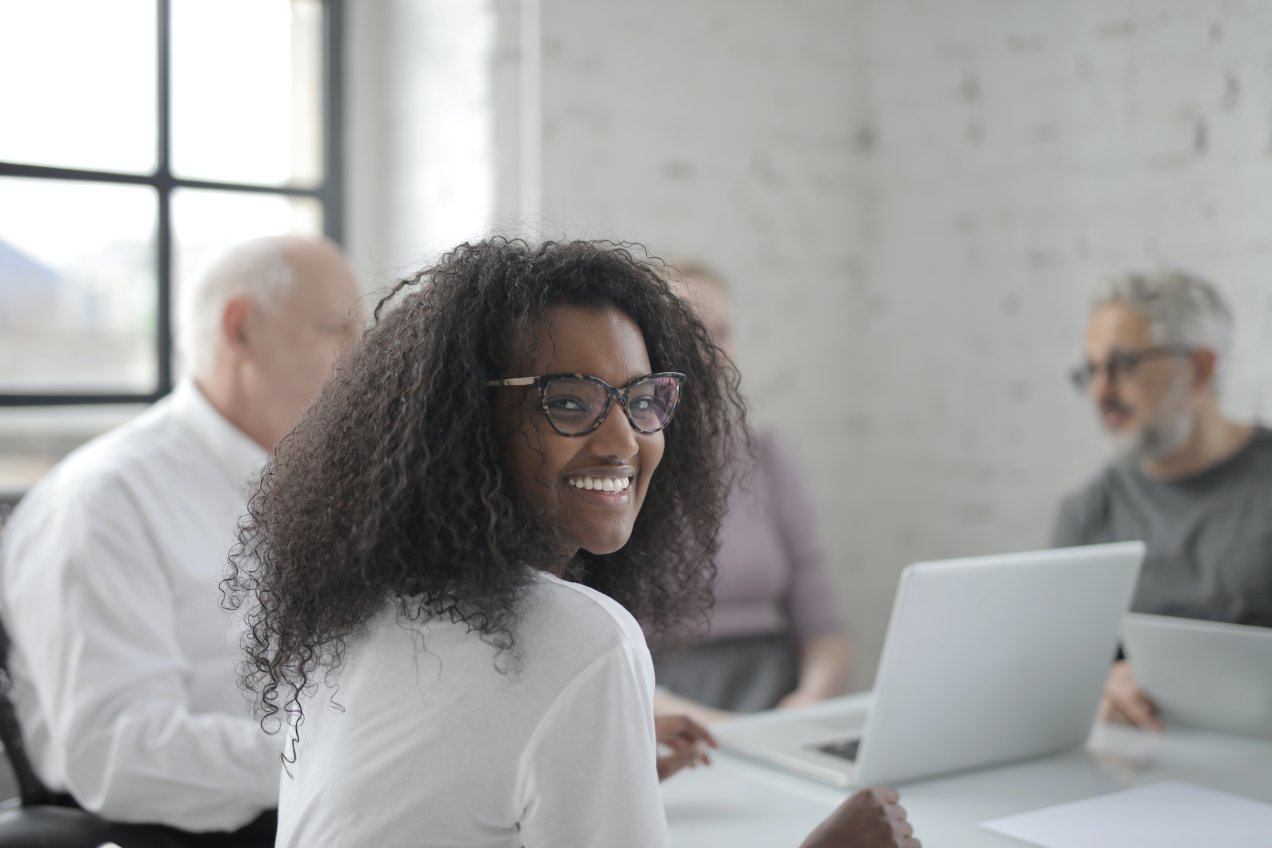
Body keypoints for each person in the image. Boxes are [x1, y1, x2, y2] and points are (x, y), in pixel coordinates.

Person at [224, 239, 918, 847]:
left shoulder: (359, 608)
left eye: (643, 399)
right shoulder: (585, 639)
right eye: (567, 401)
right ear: (464, 424)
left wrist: (592, 765)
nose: (624, 441)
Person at [0, 236, 363, 844]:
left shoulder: (333, 484)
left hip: (325, 806)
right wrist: (348, 755)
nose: (360, 358)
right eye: (336, 330)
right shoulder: (104, 502)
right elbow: (118, 752)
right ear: (240, 329)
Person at [1051, 270, 1272, 731]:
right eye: (1091, 370)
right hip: (1139, 770)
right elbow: (1065, 668)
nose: (1100, 391)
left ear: (1199, 368)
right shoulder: (1088, 512)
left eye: (1123, 365)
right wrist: (1101, 685)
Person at [653, 263, 852, 723]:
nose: (707, 349)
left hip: (775, 694)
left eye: (720, 331)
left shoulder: (765, 453)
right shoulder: (618, 464)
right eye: (687, 330)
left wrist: (805, 704)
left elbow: (825, 631)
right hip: (667, 703)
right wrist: (722, 730)